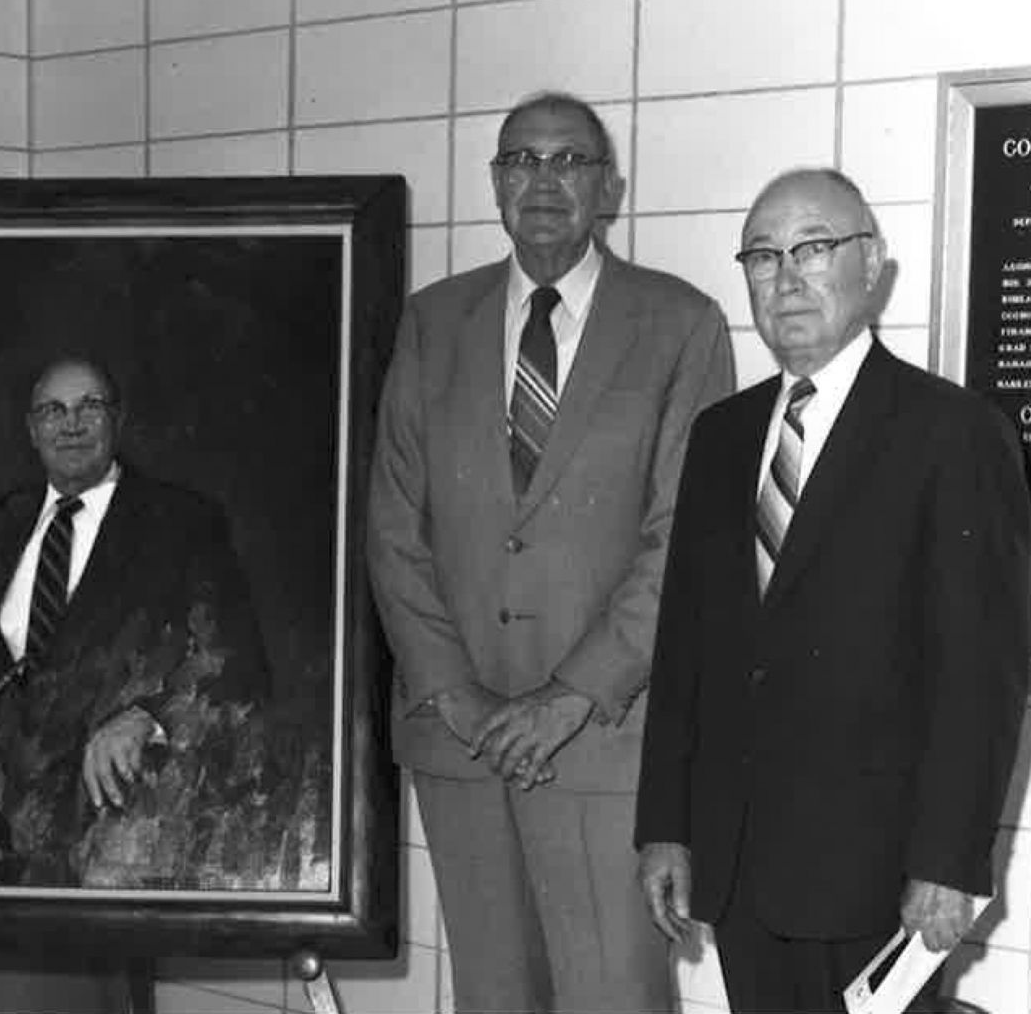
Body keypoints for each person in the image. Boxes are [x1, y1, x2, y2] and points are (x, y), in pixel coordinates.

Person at [367, 91, 735, 1011]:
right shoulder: (431, 322)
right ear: (495, 182)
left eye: (568, 161)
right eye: (522, 160)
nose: (544, 180)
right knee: (494, 997)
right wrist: (453, 693)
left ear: (606, 186)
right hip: (461, 739)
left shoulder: (678, 325)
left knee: (614, 994)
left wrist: (567, 698)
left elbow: (683, 540)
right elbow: (392, 525)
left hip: (605, 741)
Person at [635, 168, 1031, 1012]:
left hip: (878, 872)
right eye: (762, 256)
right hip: (739, 863)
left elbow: (980, 675)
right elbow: (684, 652)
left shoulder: (953, 433)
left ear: (872, 264)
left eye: (813, 248)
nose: (786, 277)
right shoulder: (722, 435)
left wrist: (947, 863)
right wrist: (664, 825)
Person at [0, 355, 270, 887]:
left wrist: (146, 718)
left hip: (95, 799)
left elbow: (233, 663)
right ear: (32, 429)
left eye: (89, 406)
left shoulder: (181, 523)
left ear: (118, 419)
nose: (70, 425)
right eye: (53, 410)